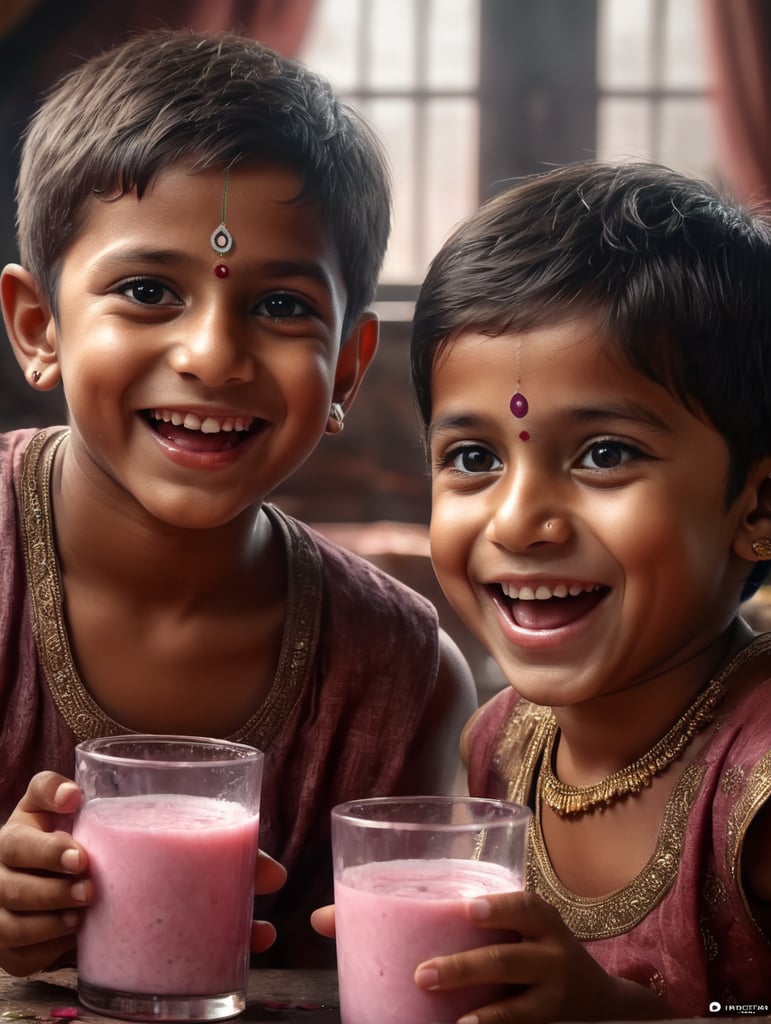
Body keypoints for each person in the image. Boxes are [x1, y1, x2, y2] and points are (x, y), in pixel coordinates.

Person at [0, 29, 476, 977]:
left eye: (282, 306)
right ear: (39, 326)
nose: (214, 356)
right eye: (147, 290)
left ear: (346, 368)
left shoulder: (403, 680)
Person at [399, 161, 771, 1020]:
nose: (518, 522)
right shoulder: (500, 744)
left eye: (604, 454)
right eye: (473, 458)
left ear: (756, 507)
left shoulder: (755, 787)